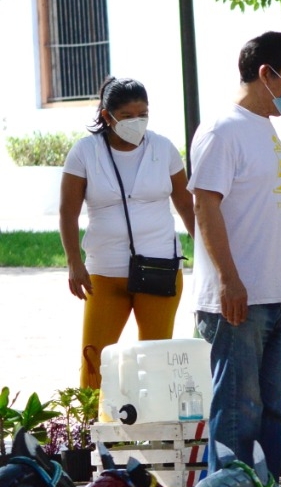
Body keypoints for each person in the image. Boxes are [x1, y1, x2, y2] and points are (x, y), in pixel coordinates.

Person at [190, 31, 281, 479]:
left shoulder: (263, 128)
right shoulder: (224, 129)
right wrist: (228, 279)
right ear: (267, 74)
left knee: (270, 413)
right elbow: (205, 202)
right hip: (240, 297)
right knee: (239, 413)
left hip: (274, 292)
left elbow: (253, 195)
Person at [59, 77, 195, 389]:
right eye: (128, 116)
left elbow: (187, 206)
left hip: (159, 268)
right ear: (107, 117)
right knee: (95, 362)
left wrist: (209, 253)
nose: (138, 122)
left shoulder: (163, 149)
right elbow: (68, 210)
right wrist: (73, 262)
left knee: (156, 361)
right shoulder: (85, 152)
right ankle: (96, 433)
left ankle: (154, 429)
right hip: (104, 273)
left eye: (143, 114)